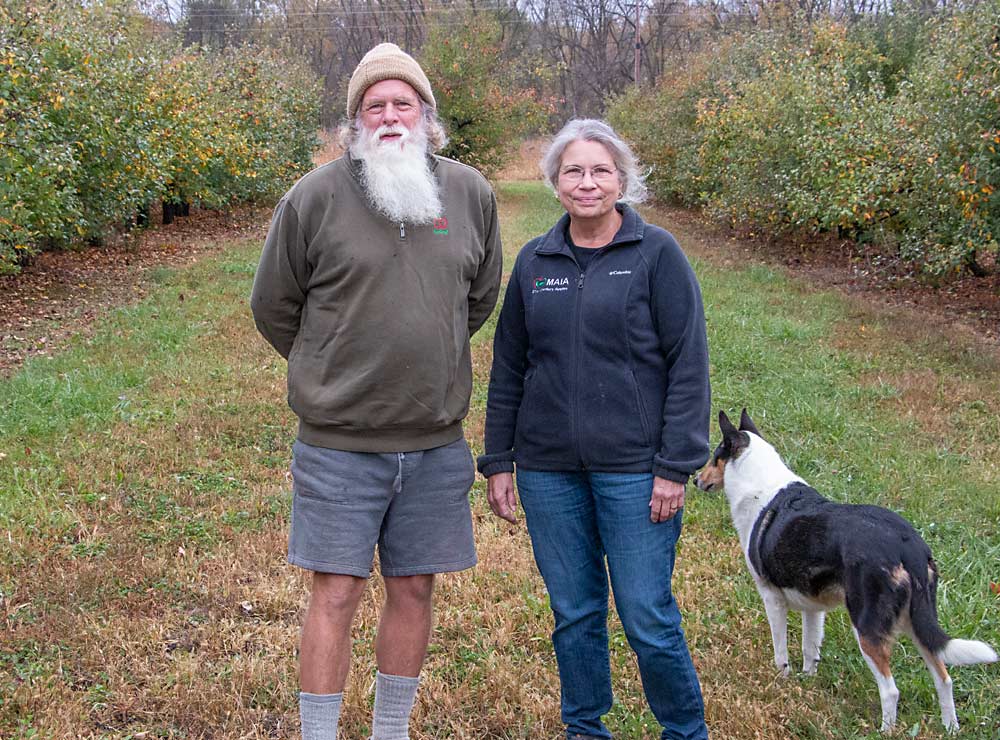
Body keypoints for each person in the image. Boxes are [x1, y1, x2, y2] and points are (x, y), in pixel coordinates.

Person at [250, 42, 502, 740]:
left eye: (404, 103)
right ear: (355, 121)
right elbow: (274, 305)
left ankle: (391, 730)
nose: (391, 115)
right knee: (335, 593)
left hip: (433, 443)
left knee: (415, 588)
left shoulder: (471, 193)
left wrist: (434, 353)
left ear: (426, 115)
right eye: (375, 105)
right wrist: (326, 366)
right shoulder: (314, 198)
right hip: (339, 445)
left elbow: (478, 299)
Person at [478, 119, 711, 740]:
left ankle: (684, 731)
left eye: (600, 170)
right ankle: (584, 727)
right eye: (573, 171)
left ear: (622, 180)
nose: (587, 183)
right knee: (574, 613)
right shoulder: (535, 261)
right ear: (555, 183)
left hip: (636, 471)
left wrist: (673, 467)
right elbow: (509, 366)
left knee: (645, 614)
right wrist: (498, 458)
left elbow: (688, 363)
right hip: (548, 470)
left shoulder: (656, 254)